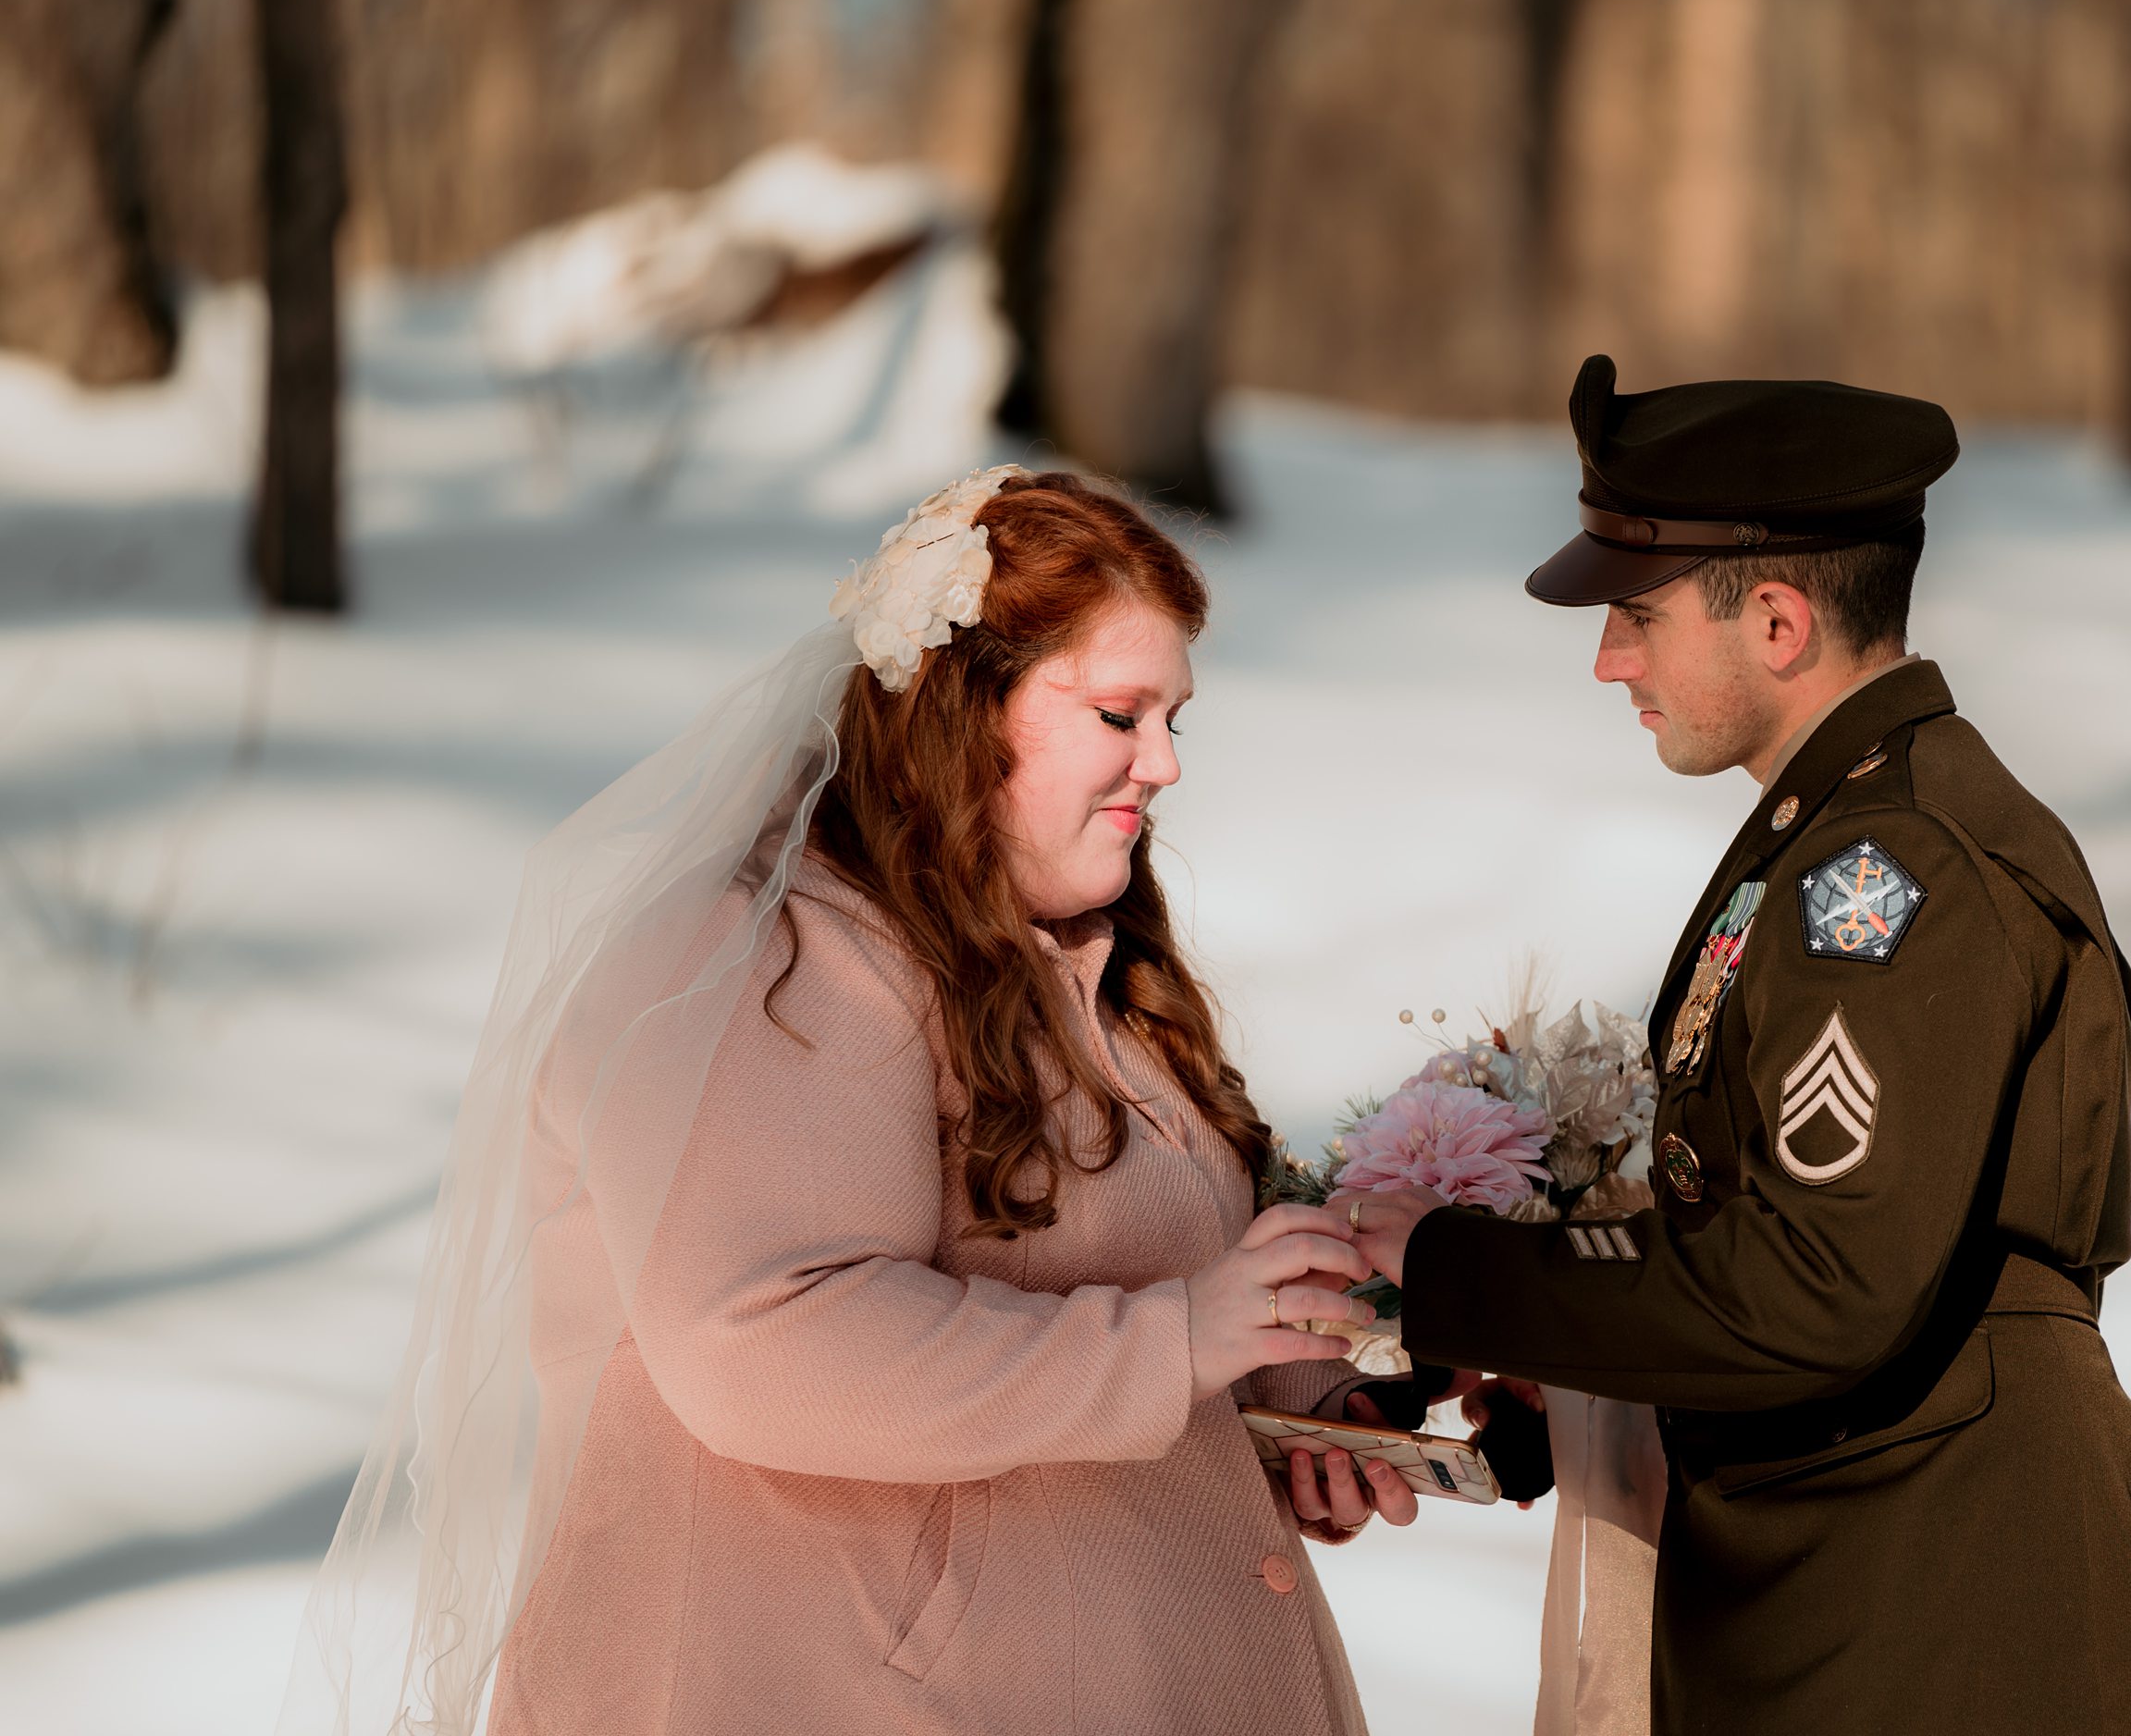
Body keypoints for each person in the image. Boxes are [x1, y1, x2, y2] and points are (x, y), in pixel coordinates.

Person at [283, 467, 1411, 1736]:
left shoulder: (1091, 973)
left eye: (1176, 720)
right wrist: (1174, 1344)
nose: (1163, 763)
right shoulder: (757, 961)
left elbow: (1111, 1283)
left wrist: (1298, 1410)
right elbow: (761, 1336)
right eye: (1118, 712)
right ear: (959, 707)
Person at [1345, 359, 2131, 1735]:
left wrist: (1447, 1268)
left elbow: (1811, 1287)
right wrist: (1569, 1376)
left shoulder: (1887, 872)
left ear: (1775, 620)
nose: (1609, 659)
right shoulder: (1838, 834)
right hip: (1874, 1574)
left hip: (1953, 1611)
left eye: (1635, 615)